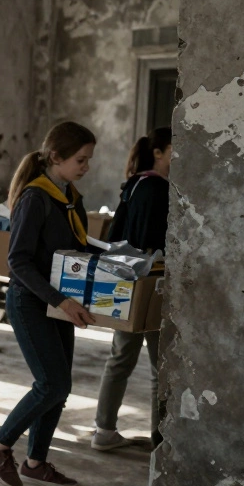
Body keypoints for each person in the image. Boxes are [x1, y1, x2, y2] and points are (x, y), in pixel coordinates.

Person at [0, 121, 97, 486]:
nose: (86, 166)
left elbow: (78, 244)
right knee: (51, 383)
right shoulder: (36, 197)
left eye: (89, 159)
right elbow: (18, 261)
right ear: (56, 157)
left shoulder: (69, 195)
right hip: (32, 301)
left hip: (60, 300)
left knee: (60, 386)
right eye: (80, 159)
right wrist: (59, 299)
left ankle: (36, 462)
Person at [92, 127, 173, 450]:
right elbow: (155, 240)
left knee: (121, 357)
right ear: (159, 152)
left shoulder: (137, 183)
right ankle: (160, 438)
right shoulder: (156, 188)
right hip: (149, 282)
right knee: (160, 367)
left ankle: (104, 429)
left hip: (127, 279)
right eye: (175, 148)